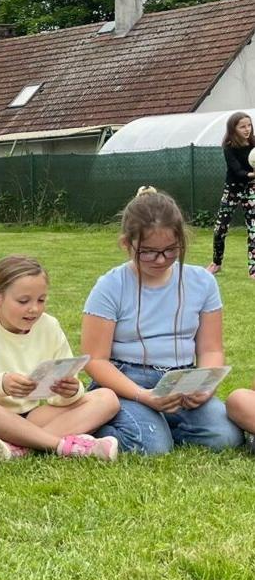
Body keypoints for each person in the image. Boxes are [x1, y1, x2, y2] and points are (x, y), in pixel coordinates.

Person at [82, 186, 242, 456]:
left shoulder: (202, 282)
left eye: (171, 250)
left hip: (180, 381)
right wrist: (143, 396)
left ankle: (158, 424)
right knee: (153, 447)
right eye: (148, 252)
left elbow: (211, 349)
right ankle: (96, 426)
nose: (161, 259)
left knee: (225, 437)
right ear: (126, 244)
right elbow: (95, 360)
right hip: (125, 381)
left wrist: (206, 385)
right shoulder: (110, 286)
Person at [0, 255, 120, 460]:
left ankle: (19, 448)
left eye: (41, 300)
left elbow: (64, 383)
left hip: (30, 417)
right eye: (23, 301)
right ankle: (59, 445)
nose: (34, 308)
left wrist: (71, 391)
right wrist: (1, 383)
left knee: (108, 398)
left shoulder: (49, 326)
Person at [207, 111, 255, 277]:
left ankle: (253, 269)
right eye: (242, 126)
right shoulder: (229, 147)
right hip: (233, 189)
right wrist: (251, 174)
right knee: (220, 228)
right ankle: (216, 262)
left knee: (254, 229)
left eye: (249, 125)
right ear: (233, 129)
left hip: (251, 189)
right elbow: (237, 170)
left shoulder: (254, 144)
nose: (247, 129)